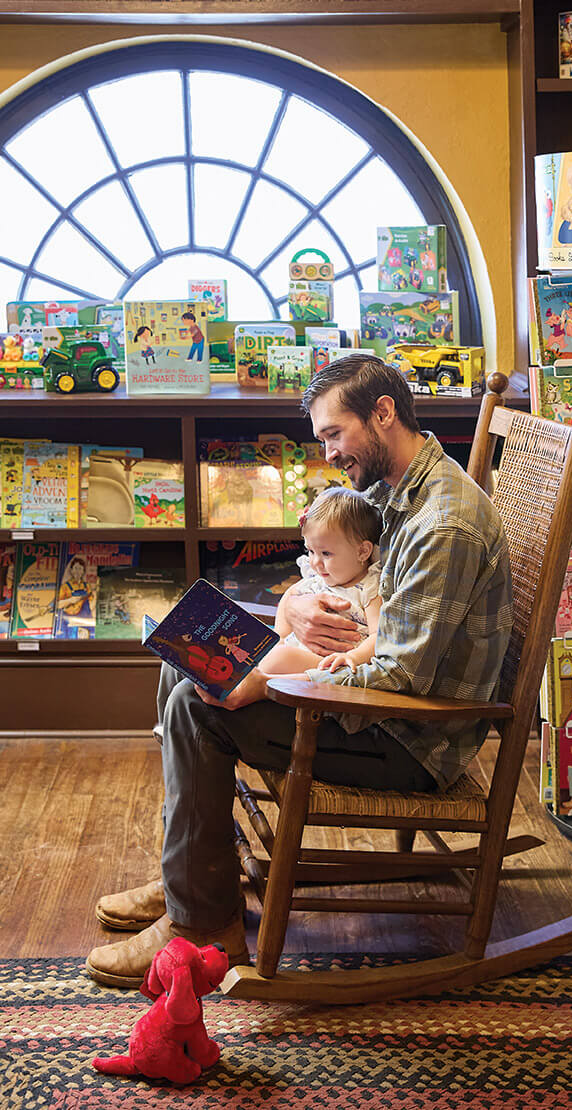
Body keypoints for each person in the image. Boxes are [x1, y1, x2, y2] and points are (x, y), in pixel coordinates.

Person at [86, 355, 513, 988]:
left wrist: (267, 682)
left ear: (384, 414)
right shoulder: (389, 488)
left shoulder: (442, 523)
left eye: (334, 435)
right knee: (185, 664)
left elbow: (402, 677)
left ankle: (205, 927)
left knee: (198, 707)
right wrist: (296, 604)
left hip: (408, 737)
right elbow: (327, 578)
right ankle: (200, 874)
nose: (329, 453)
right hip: (366, 687)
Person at [262, 485, 383, 676]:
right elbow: (289, 598)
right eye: (310, 551)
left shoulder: (369, 589)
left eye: (326, 553)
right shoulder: (316, 579)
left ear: (362, 551)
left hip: (331, 666)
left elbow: (380, 636)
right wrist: (280, 636)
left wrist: (355, 657)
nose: (315, 562)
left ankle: (258, 681)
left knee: (275, 660)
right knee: (267, 653)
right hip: (299, 654)